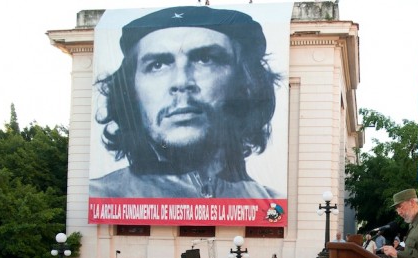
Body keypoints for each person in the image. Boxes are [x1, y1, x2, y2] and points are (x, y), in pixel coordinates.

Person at [89, 6, 282, 199]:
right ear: (131, 90)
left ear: (245, 82)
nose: (181, 82)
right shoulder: (100, 196)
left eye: (205, 59)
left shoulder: (272, 202)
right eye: (158, 65)